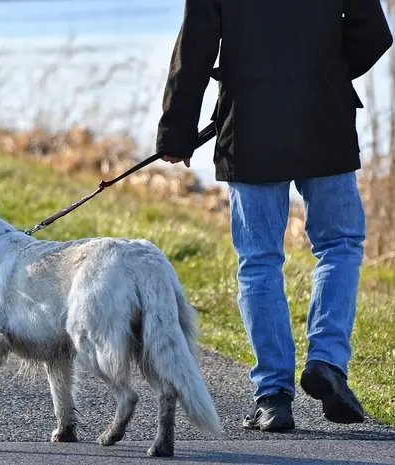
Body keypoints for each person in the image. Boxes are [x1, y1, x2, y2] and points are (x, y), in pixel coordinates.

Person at [156, 0, 393, 431]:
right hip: (326, 118)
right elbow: (374, 34)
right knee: (340, 245)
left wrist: (176, 130)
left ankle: (273, 396)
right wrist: (326, 72)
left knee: (259, 260)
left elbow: (195, 47)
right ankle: (327, 362)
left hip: (250, 126)